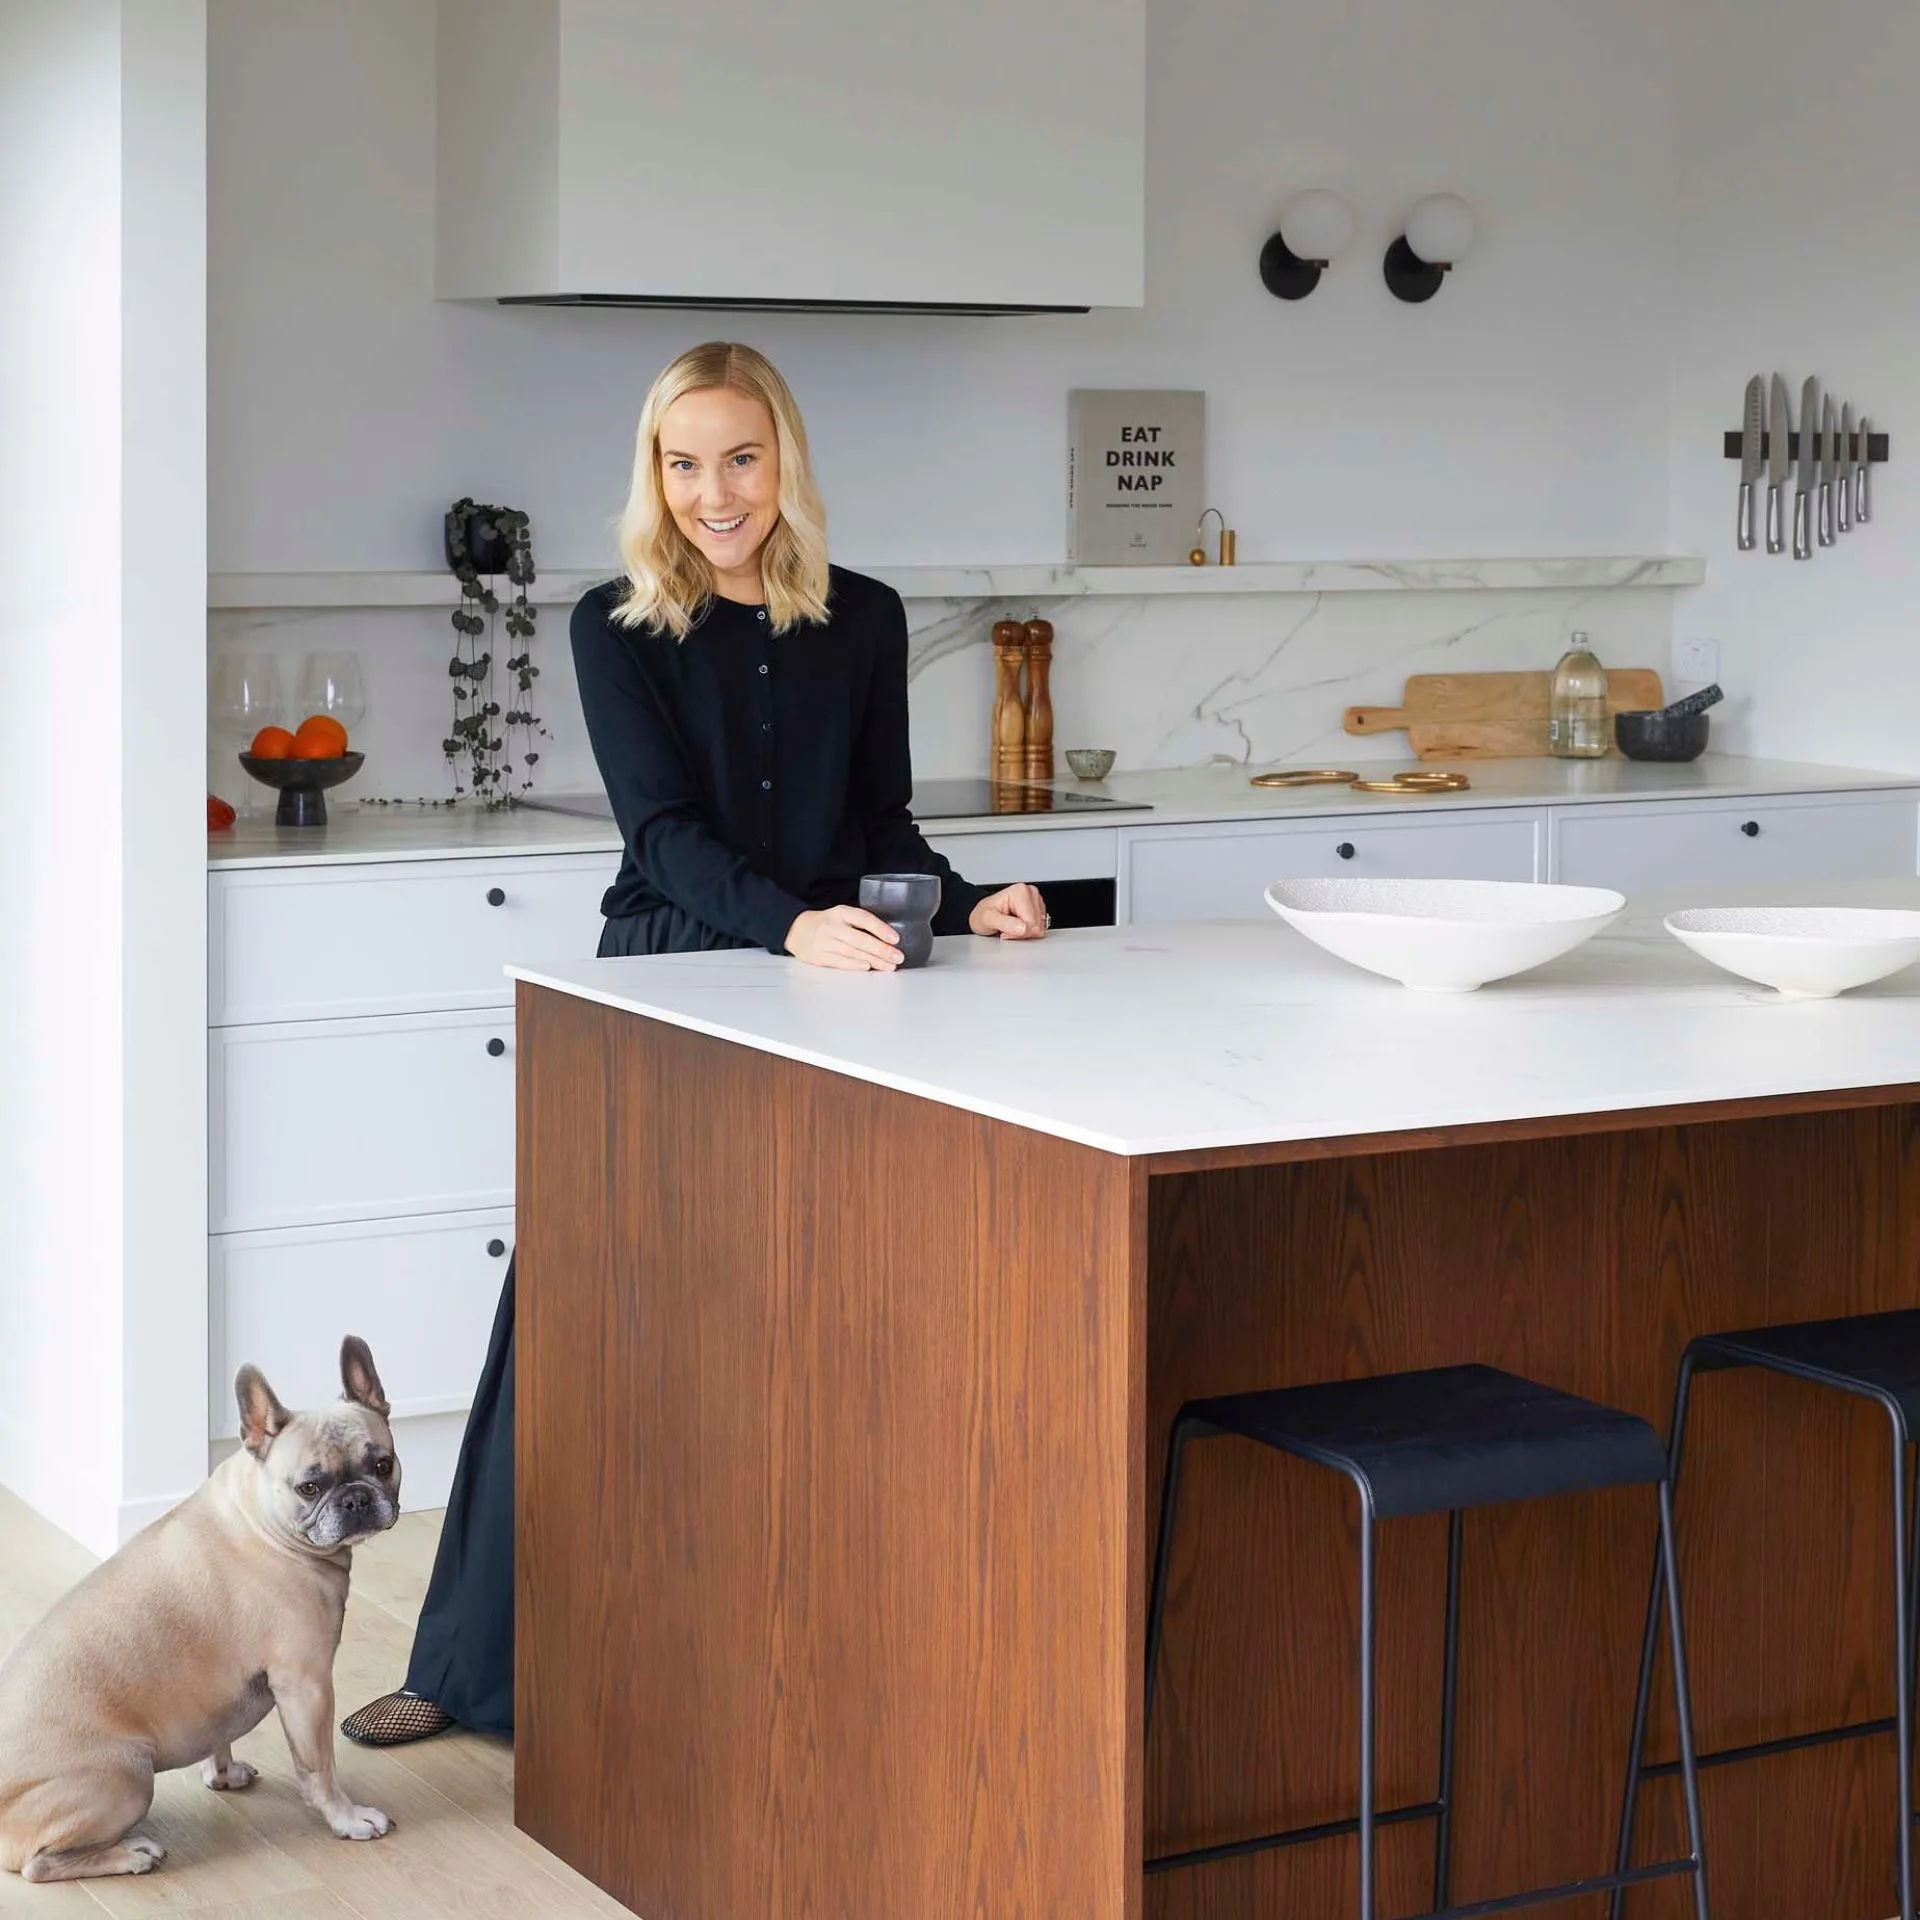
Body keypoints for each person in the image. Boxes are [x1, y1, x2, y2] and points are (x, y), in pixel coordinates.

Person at [342, 342, 1048, 1746]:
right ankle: (465, 1668)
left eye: (740, 458)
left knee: (786, 1322)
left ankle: (735, 1658)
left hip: (832, 987)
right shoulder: (617, 625)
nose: (715, 493)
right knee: (577, 1312)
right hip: (669, 981)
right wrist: (792, 928)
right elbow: (660, 840)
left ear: (784, 460)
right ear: (653, 476)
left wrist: (977, 901)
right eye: (684, 463)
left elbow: (884, 828)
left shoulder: (868, 617)